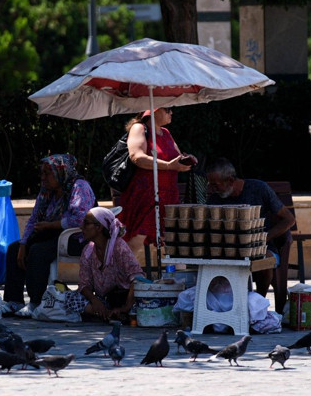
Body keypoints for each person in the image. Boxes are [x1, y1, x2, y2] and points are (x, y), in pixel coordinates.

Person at [2, 154, 96, 316]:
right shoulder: (47, 192)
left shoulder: (79, 187)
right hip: (50, 234)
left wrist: (52, 225)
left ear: (61, 172)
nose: (43, 178)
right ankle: (14, 301)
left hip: (76, 238)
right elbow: (34, 219)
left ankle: (35, 302)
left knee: (38, 252)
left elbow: (80, 219)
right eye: (42, 173)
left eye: (47, 173)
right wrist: (23, 244)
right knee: (13, 249)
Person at [205, 158, 296, 313]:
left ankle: (256, 304)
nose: (211, 188)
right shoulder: (215, 198)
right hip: (228, 249)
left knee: (265, 259)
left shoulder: (258, 188)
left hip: (261, 248)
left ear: (230, 180)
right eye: (209, 184)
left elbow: (289, 219)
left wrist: (263, 238)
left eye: (215, 184)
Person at [118, 107, 196, 263]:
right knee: (135, 240)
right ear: (152, 111)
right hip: (147, 196)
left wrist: (186, 159)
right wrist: (168, 165)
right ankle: (120, 280)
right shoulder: (139, 128)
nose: (171, 112)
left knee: (173, 243)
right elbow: (137, 157)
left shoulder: (165, 133)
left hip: (168, 196)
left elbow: (176, 158)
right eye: (167, 109)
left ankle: (177, 282)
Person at [66, 207, 143, 322]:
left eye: (86, 223)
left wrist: (125, 307)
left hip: (126, 299)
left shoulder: (119, 247)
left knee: (140, 307)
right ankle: (106, 314)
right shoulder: (88, 250)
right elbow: (83, 285)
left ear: (99, 227)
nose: (81, 227)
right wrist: (94, 300)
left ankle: (114, 314)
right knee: (68, 298)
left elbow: (137, 278)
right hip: (105, 300)